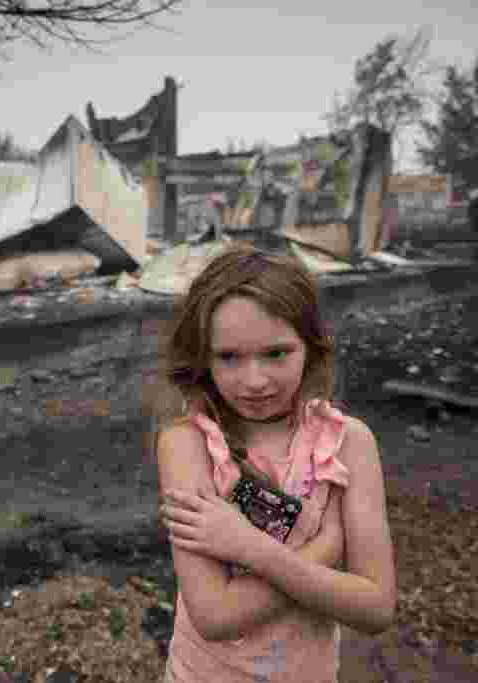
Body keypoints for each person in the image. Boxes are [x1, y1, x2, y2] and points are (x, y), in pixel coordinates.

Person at [151, 243, 396, 682]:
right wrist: (324, 550)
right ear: (203, 357)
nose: (255, 381)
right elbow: (215, 615)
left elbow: (376, 608)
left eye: (276, 353)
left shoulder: (348, 443)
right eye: (229, 357)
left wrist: (248, 547)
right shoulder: (187, 445)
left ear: (311, 348)